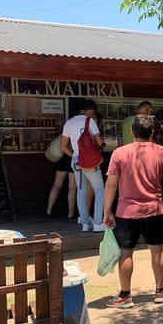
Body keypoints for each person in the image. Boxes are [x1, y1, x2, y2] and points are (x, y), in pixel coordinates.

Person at [102, 115, 163, 309]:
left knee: (126, 253)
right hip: (154, 209)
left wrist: (107, 211)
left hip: (127, 212)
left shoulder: (119, 153)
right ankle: (160, 291)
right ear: (152, 132)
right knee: (157, 250)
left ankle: (125, 296)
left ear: (132, 131)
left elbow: (110, 185)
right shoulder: (162, 152)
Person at [60, 99, 105, 232]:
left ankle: (85, 223)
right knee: (99, 190)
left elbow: (63, 146)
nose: (93, 114)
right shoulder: (89, 121)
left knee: (81, 191)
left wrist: (75, 155)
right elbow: (99, 142)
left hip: (76, 161)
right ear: (89, 110)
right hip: (90, 162)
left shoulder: (68, 123)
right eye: (93, 111)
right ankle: (97, 222)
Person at [45, 153, 77, 218]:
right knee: (72, 187)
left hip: (62, 157)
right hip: (74, 158)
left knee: (57, 185)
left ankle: (49, 210)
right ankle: (70, 213)